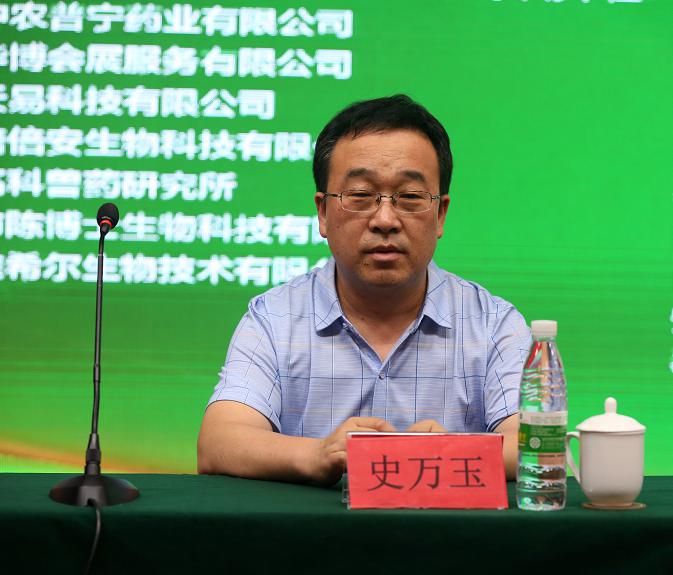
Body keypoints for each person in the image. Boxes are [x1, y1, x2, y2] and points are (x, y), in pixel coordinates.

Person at [198, 94, 531, 485]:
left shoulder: (494, 325)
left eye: (410, 197)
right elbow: (218, 441)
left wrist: (446, 454)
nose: (385, 219)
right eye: (360, 196)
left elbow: (536, 446)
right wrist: (319, 455)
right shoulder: (274, 318)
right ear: (323, 212)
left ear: (440, 214)